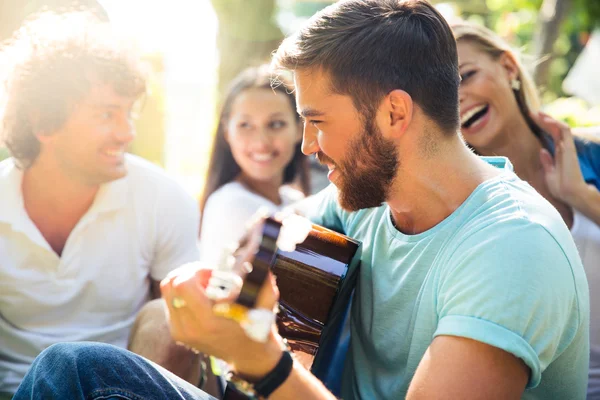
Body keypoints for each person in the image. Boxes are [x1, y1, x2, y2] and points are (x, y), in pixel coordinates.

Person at [11, 1, 590, 399]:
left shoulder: (512, 246)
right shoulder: (367, 202)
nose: (306, 146)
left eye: (315, 121)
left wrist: (266, 361)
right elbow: (286, 231)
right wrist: (249, 266)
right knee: (100, 355)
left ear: (394, 113)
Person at [0, 10, 202, 399]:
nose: (127, 132)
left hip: (118, 389)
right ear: (44, 122)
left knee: (169, 314)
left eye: (128, 112)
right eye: (107, 114)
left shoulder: (163, 198)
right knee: (57, 368)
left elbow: (194, 342)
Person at [452, 20, 600, 398]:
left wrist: (580, 196)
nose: (458, 98)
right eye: (443, 92)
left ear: (508, 67)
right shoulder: (461, 204)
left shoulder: (592, 154)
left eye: (467, 76)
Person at [198, 65, 309, 266]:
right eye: (246, 125)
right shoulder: (230, 203)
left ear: (299, 129)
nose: (261, 143)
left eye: (276, 124)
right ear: (227, 132)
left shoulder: (293, 199)